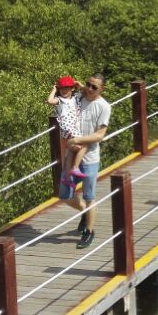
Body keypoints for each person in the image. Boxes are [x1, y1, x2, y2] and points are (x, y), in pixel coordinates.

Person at [59, 74, 110, 249]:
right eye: (88, 84)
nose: (89, 88)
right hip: (71, 154)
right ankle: (85, 213)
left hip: (89, 158)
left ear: (101, 89)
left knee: (89, 196)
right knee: (65, 194)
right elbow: (63, 101)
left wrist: (78, 140)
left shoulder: (103, 107)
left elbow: (100, 135)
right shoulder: (78, 98)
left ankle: (89, 231)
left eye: (94, 87)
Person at [46, 76, 88, 190]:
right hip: (67, 128)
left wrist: (80, 84)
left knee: (71, 151)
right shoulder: (60, 100)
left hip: (76, 127)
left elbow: (89, 93)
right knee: (83, 146)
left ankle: (67, 177)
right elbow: (50, 101)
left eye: (67, 88)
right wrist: (54, 89)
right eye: (62, 88)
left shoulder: (76, 98)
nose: (64, 91)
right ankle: (75, 168)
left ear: (72, 89)